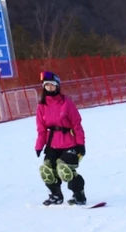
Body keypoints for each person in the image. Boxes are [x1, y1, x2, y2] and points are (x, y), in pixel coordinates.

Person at [34, 71, 87, 206]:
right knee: (46, 170)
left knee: (64, 169)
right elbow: (41, 129)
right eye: (47, 85)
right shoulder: (41, 106)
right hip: (52, 144)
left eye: (52, 85)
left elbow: (77, 124)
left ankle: (79, 195)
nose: (49, 87)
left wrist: (80, 144)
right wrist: (39, 146)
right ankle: (55, 195)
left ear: (57, 86)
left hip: (69, 143)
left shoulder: (66, 102)